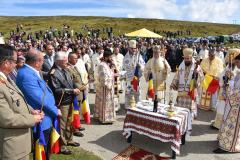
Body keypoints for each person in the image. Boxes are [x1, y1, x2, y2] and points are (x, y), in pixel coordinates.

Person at [0, 45, 43, 160]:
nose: (16, 64)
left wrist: (31, 111)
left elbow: (18, 100)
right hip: (11, 149)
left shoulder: (6, 78)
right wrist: (32, 119)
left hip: (19, 145)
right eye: (15, 61)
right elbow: (6, 119)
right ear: (6, 63)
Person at [16, 49, 61, 159]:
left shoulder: (31, 71)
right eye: (42, 60)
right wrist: (55, 110)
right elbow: (39, 99)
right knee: (41, 153)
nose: (43, 63)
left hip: (46, 116)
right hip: (41, 118)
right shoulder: (26, 74)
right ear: (37, 62)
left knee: (45, 152)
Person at [48, 51, 81, 155]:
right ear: (59, 61)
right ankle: (62, 146)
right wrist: (72, 91)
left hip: (70, 100)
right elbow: (57, 90)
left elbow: (70, 83)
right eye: (65, 60)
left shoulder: (65, 69)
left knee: (69, 122)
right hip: (62, 102)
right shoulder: (53, 73)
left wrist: (77, 88)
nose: (67, 61)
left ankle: (69, 139)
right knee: (62, 124)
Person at [214, 50, 240, 153]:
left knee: (232, 126)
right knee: (226, 121)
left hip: (236, 106)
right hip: (231, 103)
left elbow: (237, 92)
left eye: (237, 62)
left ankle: (229, 147)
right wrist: (229, 81)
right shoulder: (238, 73)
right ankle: (223, 142)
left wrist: (230, 82)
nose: (236, 64)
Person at [170, 48, 204, 119]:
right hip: (181, 92)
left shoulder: (196, 67)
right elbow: (177, 75)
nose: (186, 60)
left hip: (190, 92)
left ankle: (189, 122)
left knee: (190, 110)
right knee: (180, 110)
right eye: (185, 58)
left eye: (188, 58)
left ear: (191, 58)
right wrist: (173, 84)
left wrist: (196, 75)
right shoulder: (181, 66)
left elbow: (202, 78)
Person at [67, 52, 87, 137]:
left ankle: (77, 125)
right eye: (75, 58)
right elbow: (73, 82)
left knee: (77, 111)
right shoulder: (68, 69)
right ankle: (74, 129)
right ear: (69, 59)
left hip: (80, 92)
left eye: (77, 58)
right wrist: (82, 87)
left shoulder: (74, 67)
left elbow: (79, 79)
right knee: (74, 111)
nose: (76, 60)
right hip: (76, 92)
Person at [94, 48, 116, 124]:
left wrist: (113, 72)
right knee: (105, 103)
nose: (111, 59)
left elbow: (109, 74)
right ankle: (105, 118)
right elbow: (103, 78)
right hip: (105, 88)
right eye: (110, 57)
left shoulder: (106, 64)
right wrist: (110, 81)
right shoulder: (102, 65)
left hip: (108, 86)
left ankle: (107, 118)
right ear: (106, 57)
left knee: (107, 103)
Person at [122, 40, 145, 109]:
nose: (134, 50)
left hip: (136, 78)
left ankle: (137, 105)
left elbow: (144, 65)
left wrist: (140, 66)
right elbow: (123, 68)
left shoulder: (139, 56)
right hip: (129, 79)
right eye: (132, 48)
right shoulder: (125, 57)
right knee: (128, 92)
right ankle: (128, 106)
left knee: (137, 92)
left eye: (135, 48)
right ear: (129, 48)